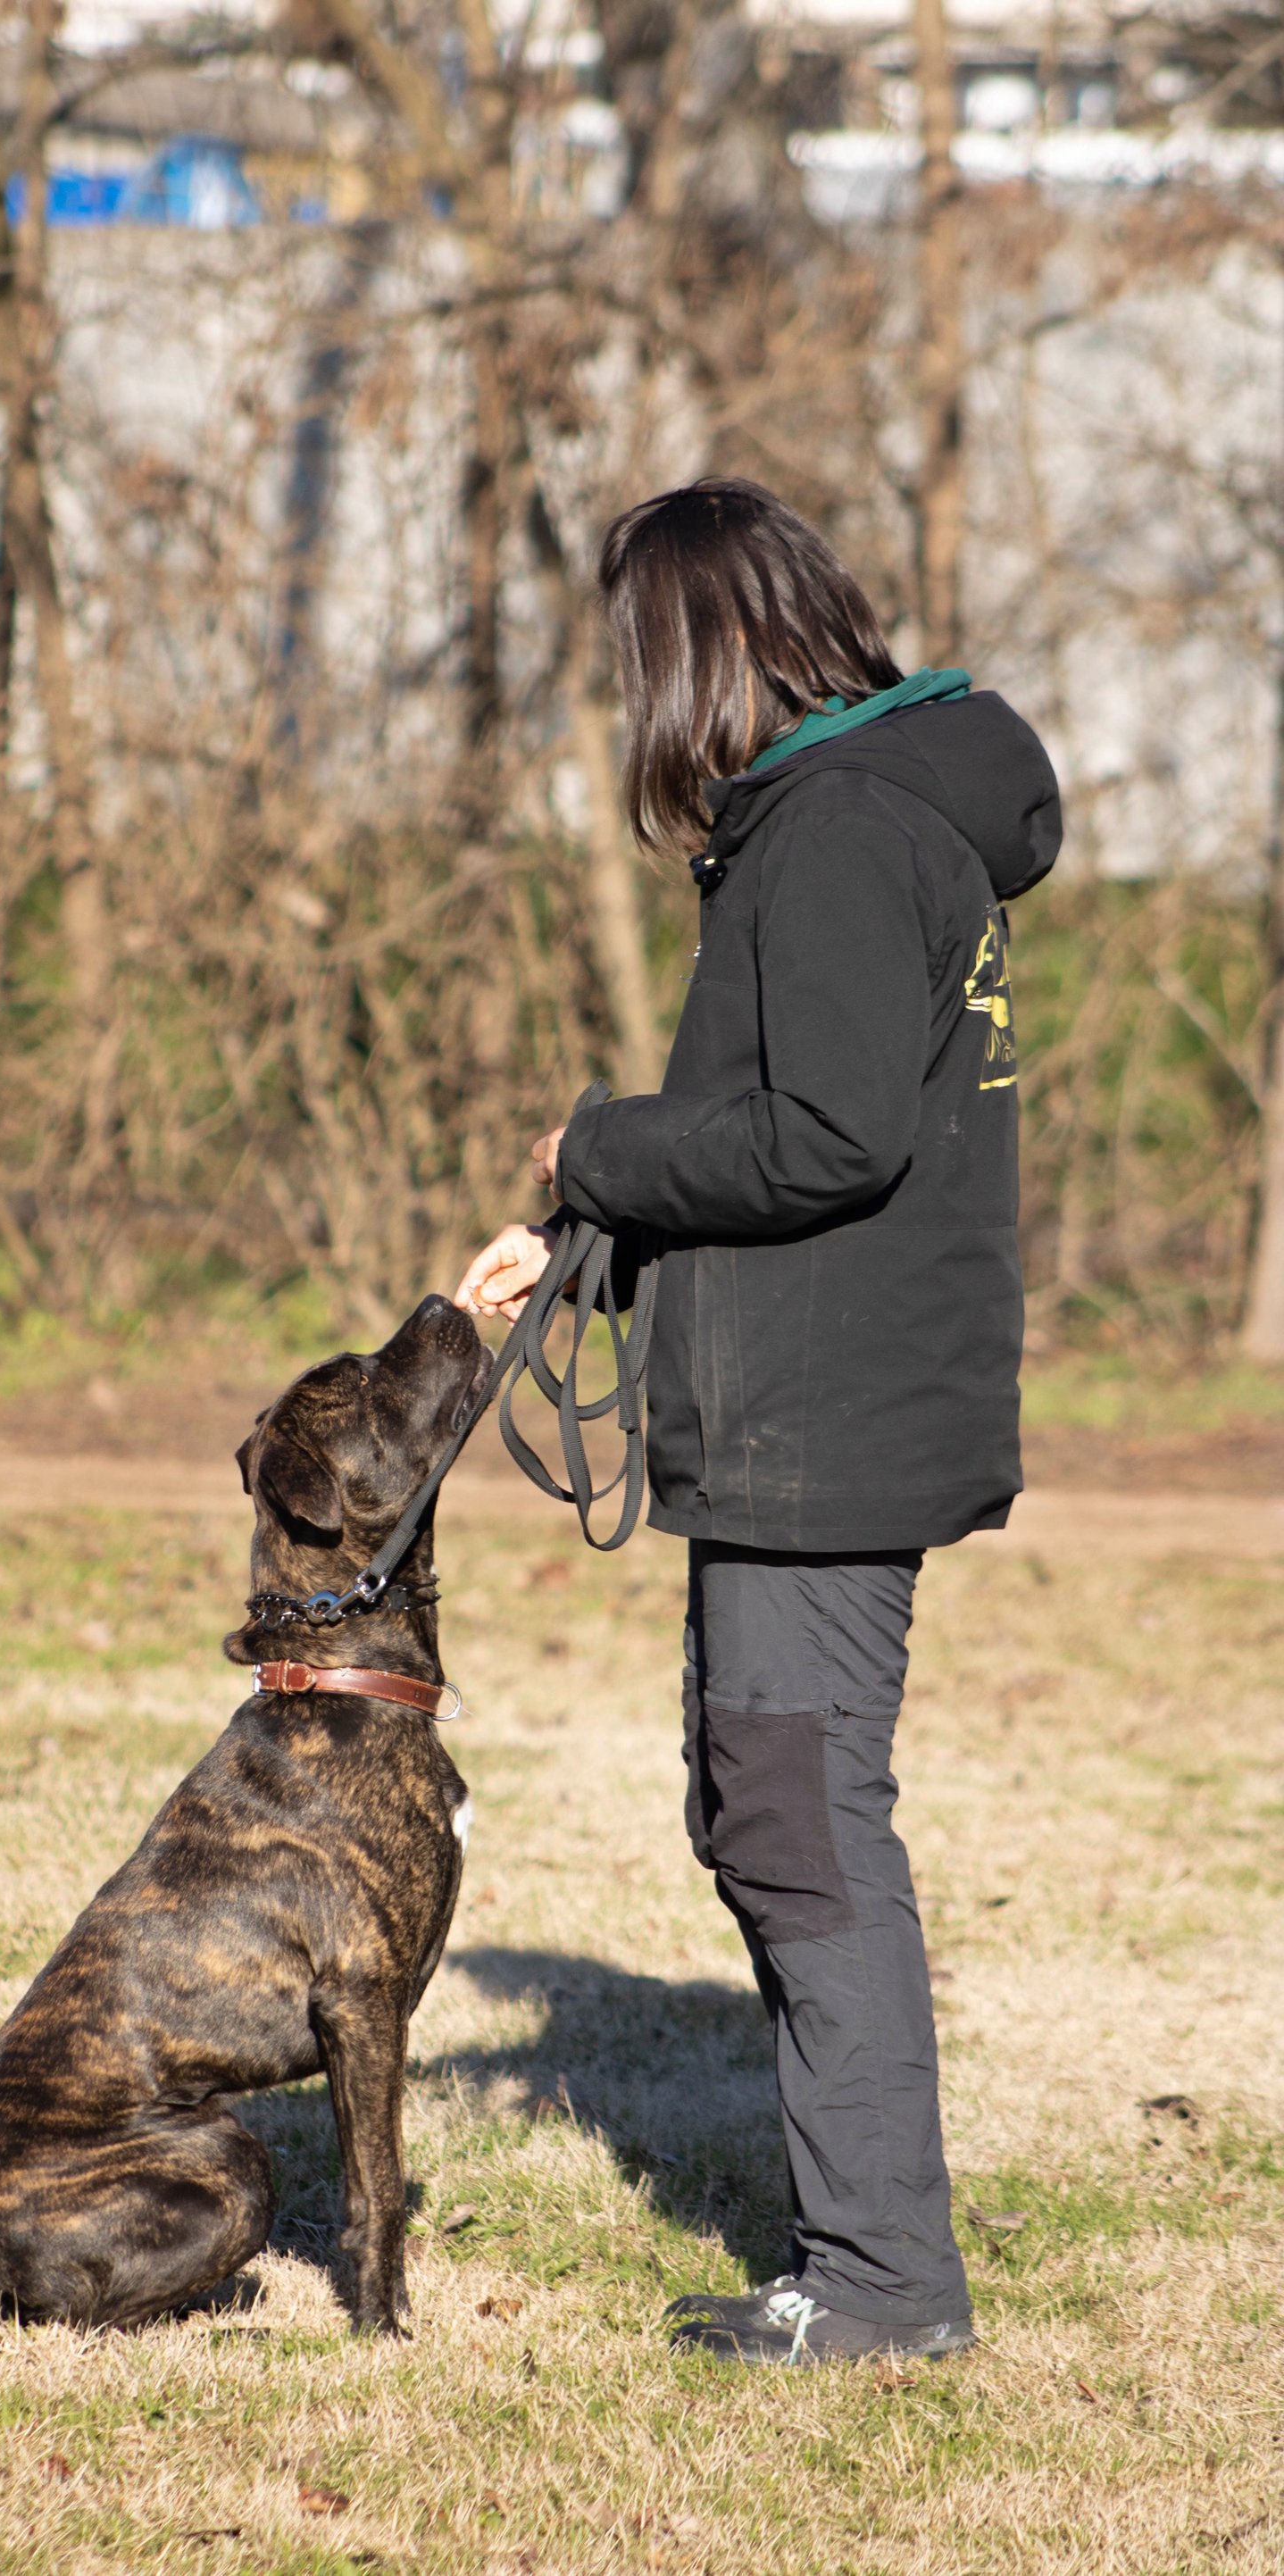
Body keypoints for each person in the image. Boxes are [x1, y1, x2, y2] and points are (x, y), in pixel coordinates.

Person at [454, 477, 1061, 2368]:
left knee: (798, 1821)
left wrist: (596, 1148)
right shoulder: (857, 815)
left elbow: (826, 1138)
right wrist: (597, 1227)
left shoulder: (843, 832)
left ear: (700, 645)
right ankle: (868, 2261)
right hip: (822, 1397)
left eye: (636, 654)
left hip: (825, 1428)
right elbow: (826, 1130)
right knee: (770, 1810)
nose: (631, 698)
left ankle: (883, 2288)